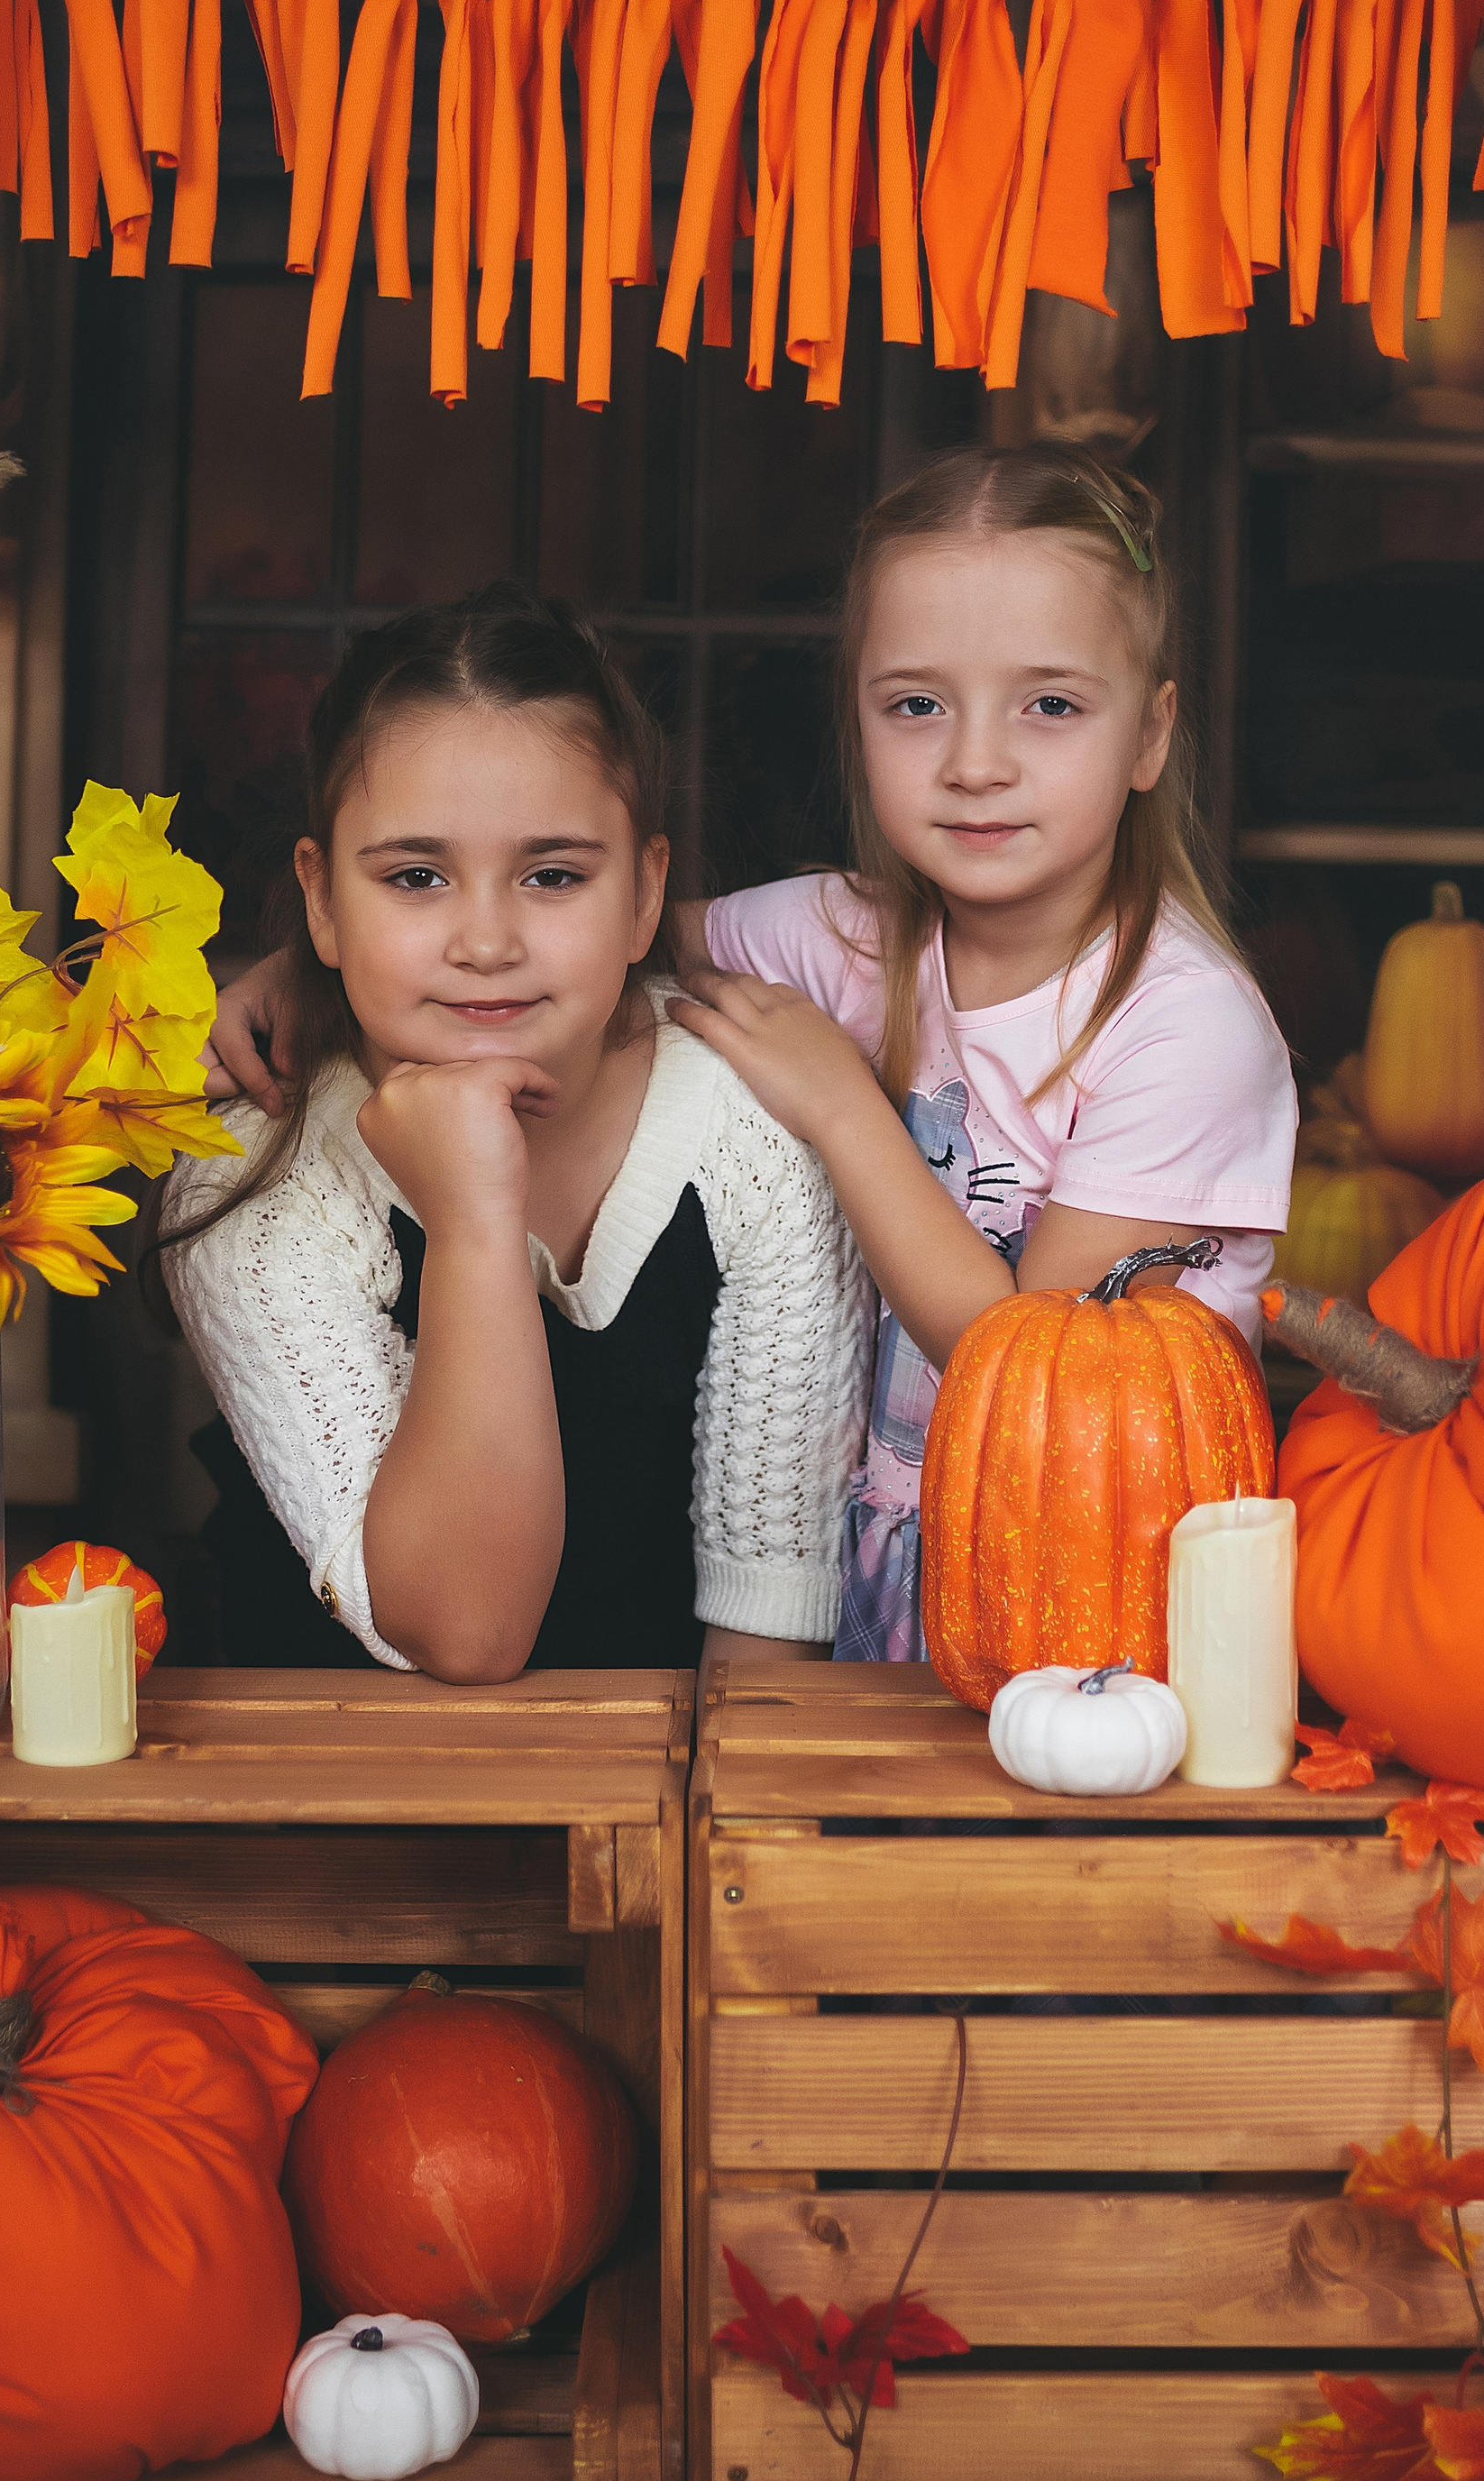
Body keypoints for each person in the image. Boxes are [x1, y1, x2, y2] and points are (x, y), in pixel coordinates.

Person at [207, 448, 1295, 1667]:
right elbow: (583, 930)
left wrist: (843, 1112)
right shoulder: (841, 936)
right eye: (916, 705)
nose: (976, 761)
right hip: (906, 1574)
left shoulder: (1183, 1026)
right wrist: (310, 966)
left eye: (1050, 705)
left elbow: (1053, 1387)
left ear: (1151, 734)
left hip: (1097, 1601)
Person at [164, 588, 867, 1679]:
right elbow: (463, 1628)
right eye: (415, 877)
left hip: (674, 1764)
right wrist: (474, 1220)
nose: (486, 941)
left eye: (553, 876)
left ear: (645, 894)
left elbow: (768, 1633)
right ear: (322, 903)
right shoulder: (252, 1178)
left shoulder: (755, 1127)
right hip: (326, 1764)